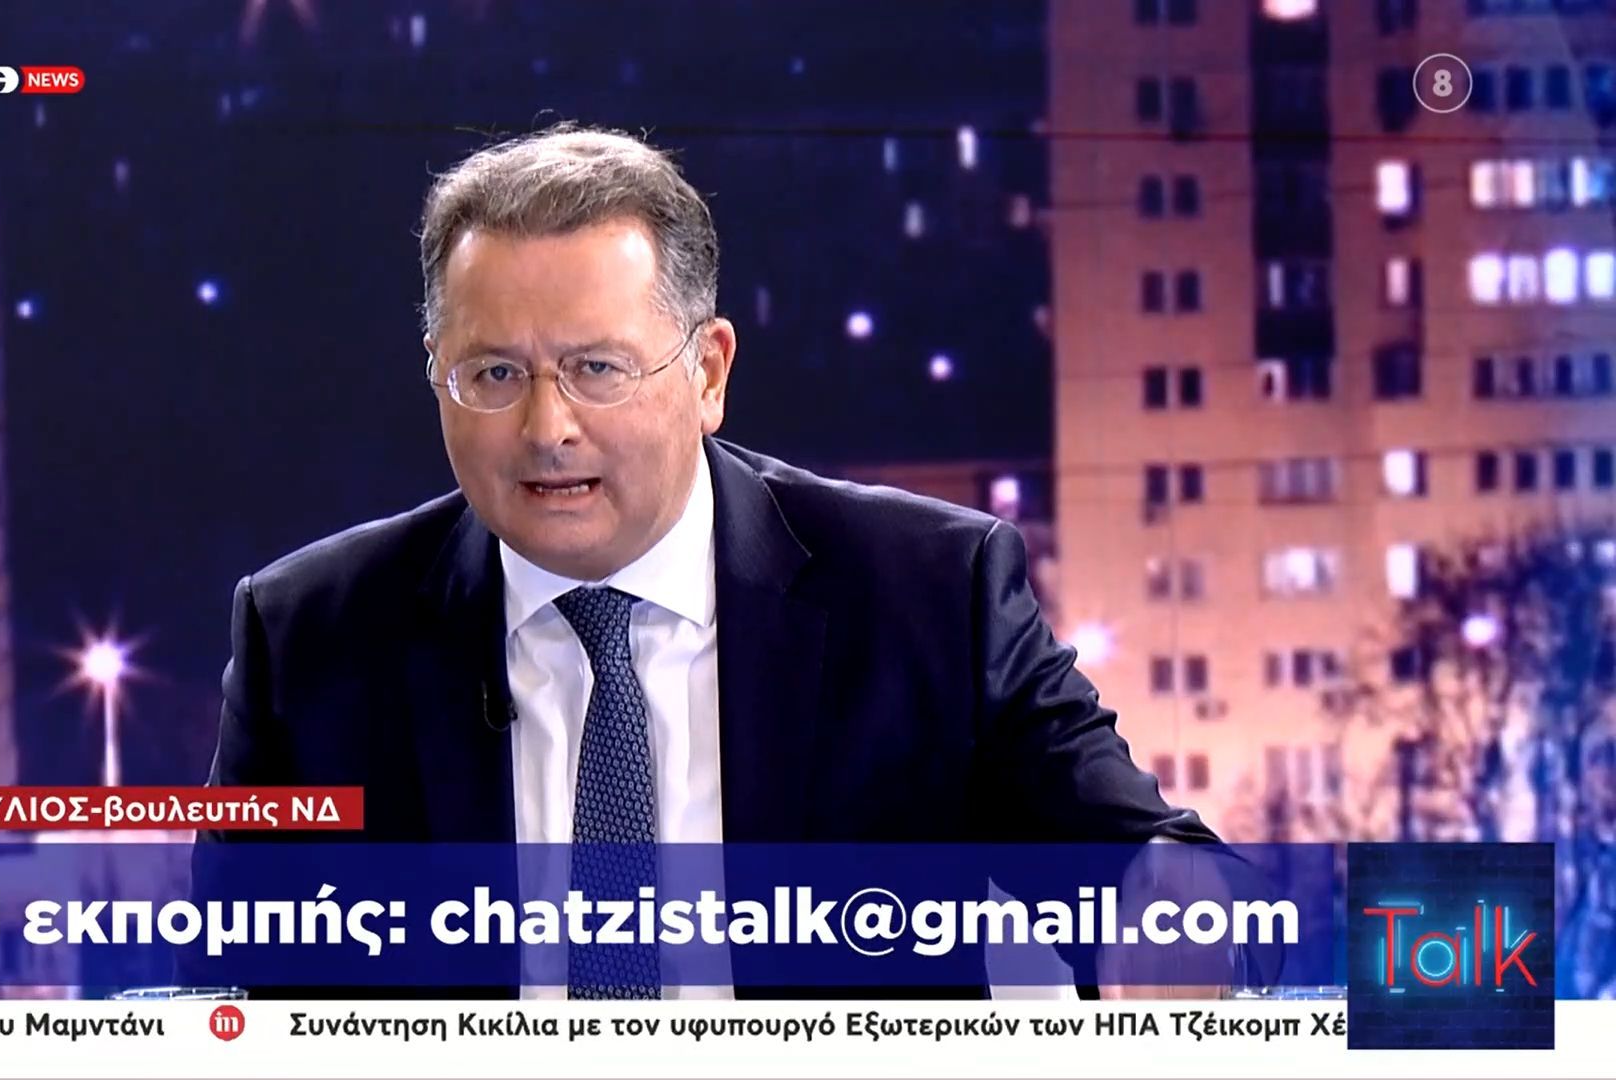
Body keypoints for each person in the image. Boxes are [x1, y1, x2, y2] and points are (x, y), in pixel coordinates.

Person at [200, 123, 1224, 999]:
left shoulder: (924, 598)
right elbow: (226, 987)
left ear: (708, 372)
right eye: (495, 374)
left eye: (598, 368)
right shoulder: (310, 638)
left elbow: (1154, 867)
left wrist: (1169, 908)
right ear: (436, 377)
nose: (547, 428)